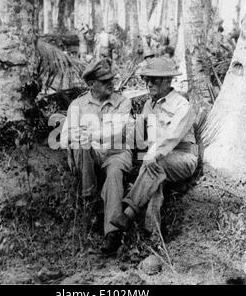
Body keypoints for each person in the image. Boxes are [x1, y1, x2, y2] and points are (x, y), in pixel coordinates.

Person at [110, 57, 198, 233]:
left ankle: (129, 212)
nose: (149, 84)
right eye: (146, 79)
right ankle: (153, 235)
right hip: (157, 159)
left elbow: (171, 136)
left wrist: (152, 155)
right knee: (155, 177)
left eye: (154, 80)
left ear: (167, 81)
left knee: (154, 164)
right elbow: (138, 135)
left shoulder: (182, 105)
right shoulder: (149, 106)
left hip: (183, 157)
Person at [60, 58, 133, 254]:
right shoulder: (78, 104)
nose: (111, 83)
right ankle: (89, 202)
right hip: (90, 156)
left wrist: (89, 134)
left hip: (116, 153)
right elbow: (66, 136)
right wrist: (70, 150)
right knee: (80, 143)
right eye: (104, 81)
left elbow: (117, 132)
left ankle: (112, 232)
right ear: (91, 84)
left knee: (115, 174)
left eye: (111, 79)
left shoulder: (123, 102)